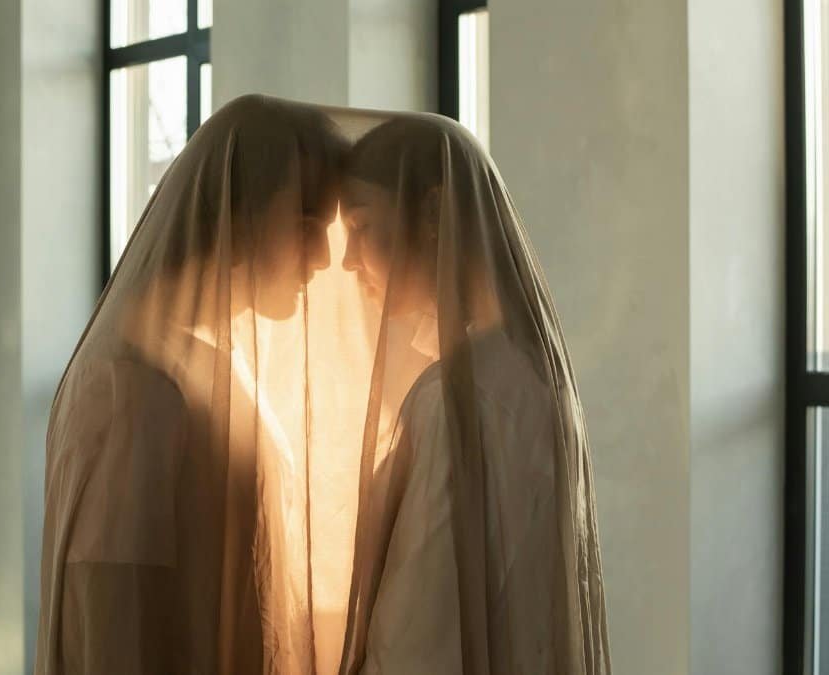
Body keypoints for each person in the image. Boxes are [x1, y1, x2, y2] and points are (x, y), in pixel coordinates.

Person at [32, 94, 349, 675]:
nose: (325, 258)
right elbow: (112, 623)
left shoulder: (204, 365)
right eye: (307, 226)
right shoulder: (130, 387)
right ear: (240, 213)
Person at [336, 115, 612, 674]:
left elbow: (415, 642)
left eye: (362, 227)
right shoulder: (530, 371)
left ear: (433, 213)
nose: (348, 260)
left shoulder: (458, 402)